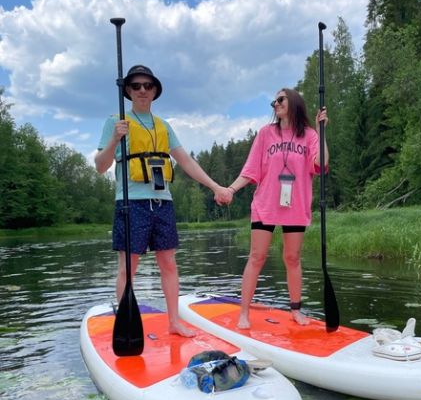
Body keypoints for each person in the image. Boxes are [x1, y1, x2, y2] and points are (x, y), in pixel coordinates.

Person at [95, 64, 231, 337]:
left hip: (162, 203)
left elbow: (186, 162)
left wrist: (216, 186)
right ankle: (126, 323)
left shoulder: (164, 126)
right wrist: (114, 139)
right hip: (131, 203)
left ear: (155, 90)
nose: (142, 90)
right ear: (128, 91)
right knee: (129, 267)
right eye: (136, 86)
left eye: (147, 86)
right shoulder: (116, 122)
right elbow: (100, 166)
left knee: (169, 263)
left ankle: (174, 322)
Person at [218, 88, 329, 329]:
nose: (275, 104)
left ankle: (296, 311)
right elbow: (250, 170)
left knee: (292, 258)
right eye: (274, 101)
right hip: (266, 205)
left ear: (295, 102)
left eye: (280, 100)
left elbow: (321, 163)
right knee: (256, 257)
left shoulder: (309, 135)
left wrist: (321, 131)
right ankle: (244, 313)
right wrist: (231, 190)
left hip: (296, 206)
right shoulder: (265, 134)